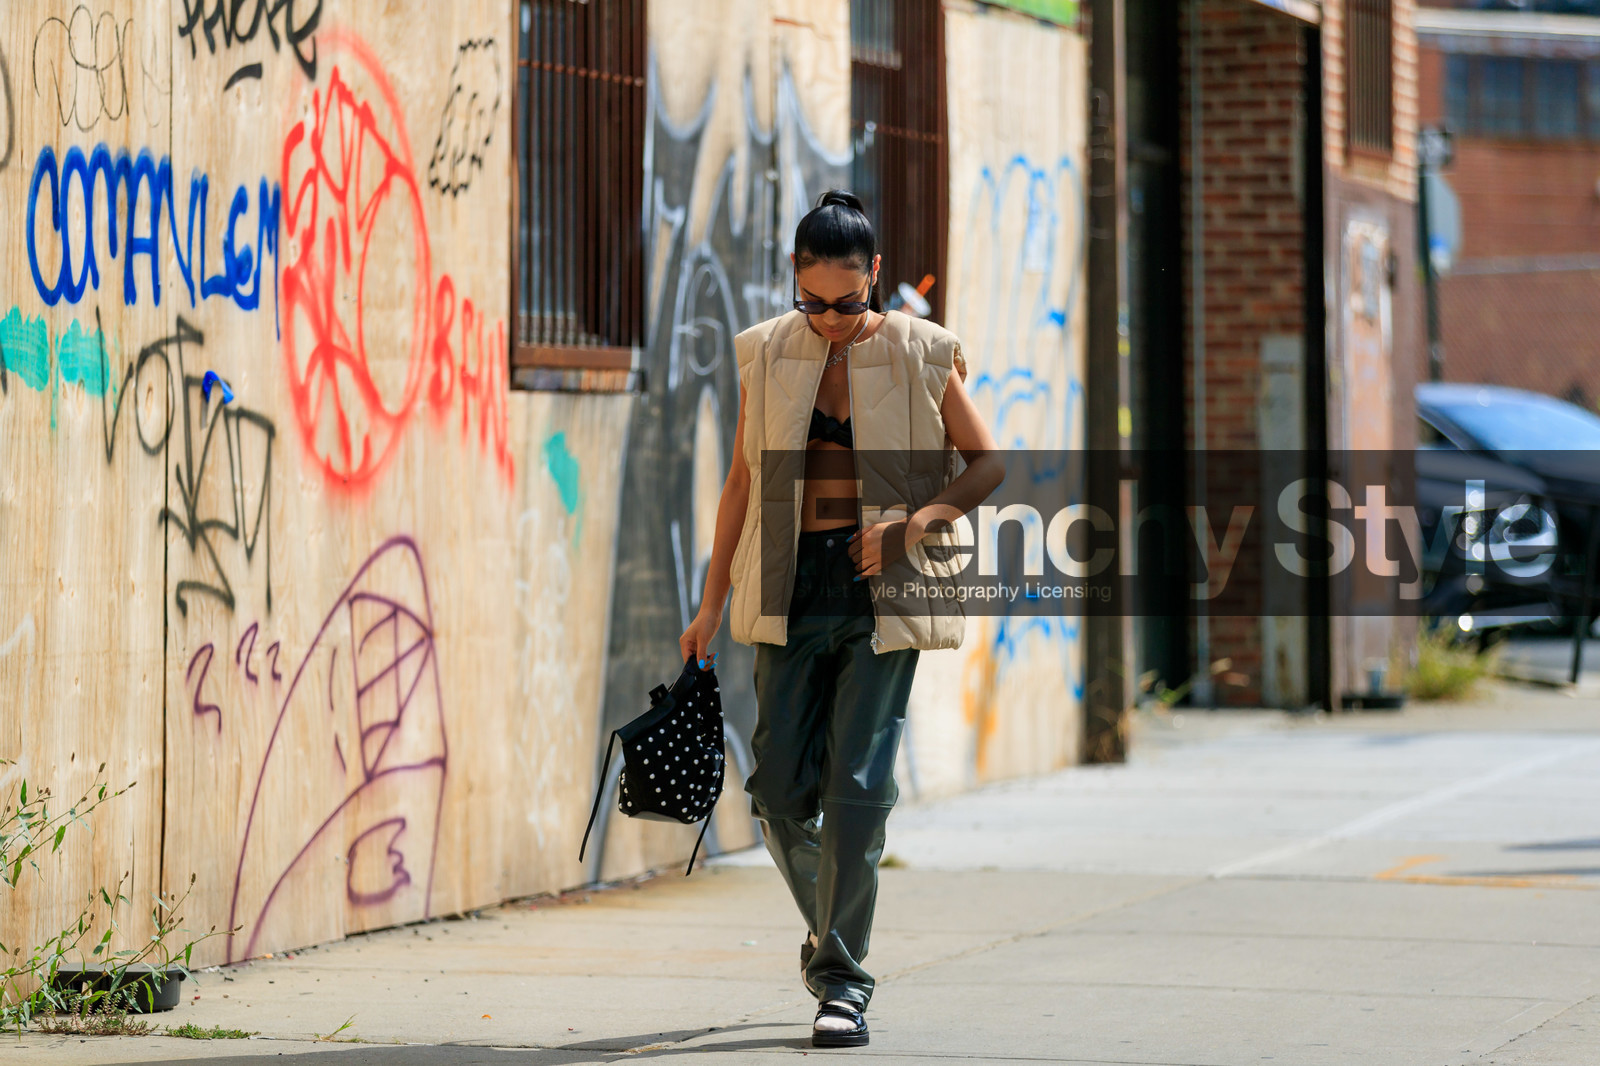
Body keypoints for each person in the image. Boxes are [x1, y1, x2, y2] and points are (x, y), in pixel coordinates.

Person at [678, 189, 1003, 1048]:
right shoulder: (766, 353)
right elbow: (742, 484)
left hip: (881, 591)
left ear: (876, 278)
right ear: (793, 276)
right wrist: (709, 604)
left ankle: (841, 982)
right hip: (788, 586)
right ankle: (833, 928)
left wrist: (914, 526)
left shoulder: (922, 353)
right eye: (813, 300)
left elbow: (988, 464)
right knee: (781, 791)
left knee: (857, 790)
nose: (828, 317)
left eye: (848, 301)